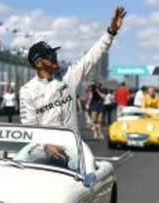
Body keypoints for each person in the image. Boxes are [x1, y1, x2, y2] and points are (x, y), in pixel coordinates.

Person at [20, 6, 126, 173]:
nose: (55, 57)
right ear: (38, 63)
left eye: (54, 53)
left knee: (88, 178)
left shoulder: (68, 75)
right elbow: (29, 130)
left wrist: (110, 32)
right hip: (44, 152)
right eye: (50, 55)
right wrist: (45, 146)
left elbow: (91, 57)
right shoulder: (27, 90)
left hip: (73, 151)